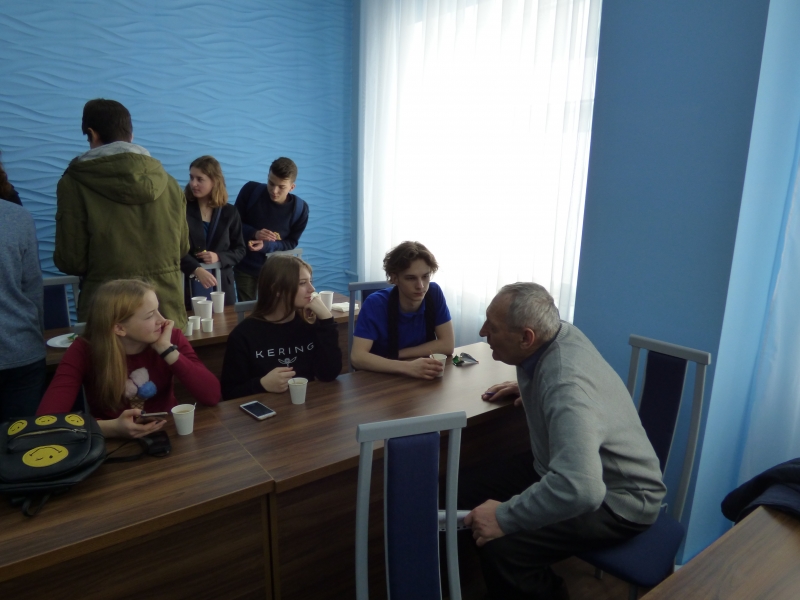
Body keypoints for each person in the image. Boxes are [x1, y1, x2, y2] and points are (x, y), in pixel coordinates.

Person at [461, 282, 666, 600]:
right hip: (563, 468)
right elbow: (558, 377)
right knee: (463, 489)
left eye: (493, 326)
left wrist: (504, 517)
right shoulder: (557, 335)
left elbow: (582, 489)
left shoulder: (566, 386)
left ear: (526, 338)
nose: (482, 331)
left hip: (619, 501)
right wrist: (532, 387)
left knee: (503, 548)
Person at [54, 98, 189, 328]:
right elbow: (182, 248)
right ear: (131, 135)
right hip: (165, 314)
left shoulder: (73, 183)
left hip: (110, 316)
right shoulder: (170, 183)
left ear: (92, 134)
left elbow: (72, 261)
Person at [38, 279, 220, 439]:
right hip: (110, 442)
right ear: (119, 328)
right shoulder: (84, 349)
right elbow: (47, 421)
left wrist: (167, 350)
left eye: (158, 310)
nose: (163, 320)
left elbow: (212, 396)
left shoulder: (170, 338)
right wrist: (111, 429)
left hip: (168, 432)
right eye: (150, 315)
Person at [221, 255, 341, 400]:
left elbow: (329, 374)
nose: (312, 289)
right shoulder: (244, 335)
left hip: (305, 405)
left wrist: (327, 320)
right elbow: (229, 392)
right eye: (302, 283)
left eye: (310, 281)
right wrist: (261, 384)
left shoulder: (309, 325)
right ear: (277, 289)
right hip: (266, 408)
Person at [350, 241, 454, 379]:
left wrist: (399, 354)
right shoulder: (375, 304)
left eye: (425, 276)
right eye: (411, 278)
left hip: (421, 372)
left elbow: (447, 345)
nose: (420, 286)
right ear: (394, 278)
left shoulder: (434, 293)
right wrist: (408, 367)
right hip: (380, 378)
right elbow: (357, 357)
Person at [233, 157, 309, 301]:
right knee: (246, 310)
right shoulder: (251, 191)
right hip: (245, 265)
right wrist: (255, 233)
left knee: (274, 310)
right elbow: (233, 225)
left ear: (292, 187)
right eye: (271, 183)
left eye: (281, 187)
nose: (274, 191)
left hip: (277, 271)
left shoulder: (300, 209)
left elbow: (291, 242)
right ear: (267, 177)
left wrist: (267, 245)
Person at [0, 200, 46, 419]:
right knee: (24, 436)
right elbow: (33, 286)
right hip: (22, 346)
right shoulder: (17, 216)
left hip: (22, 355)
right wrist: (37, 335)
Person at [180, 155, 245, 306]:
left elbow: (240, 250)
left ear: (214, 181)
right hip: (189, 284)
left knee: (225, 320)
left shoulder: (230, 212)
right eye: (191, 178)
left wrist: (219, 257)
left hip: (222, 285)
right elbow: (174, 248)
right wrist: (195, 268)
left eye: (199, 179)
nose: (193, 184)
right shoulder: (181, 209)